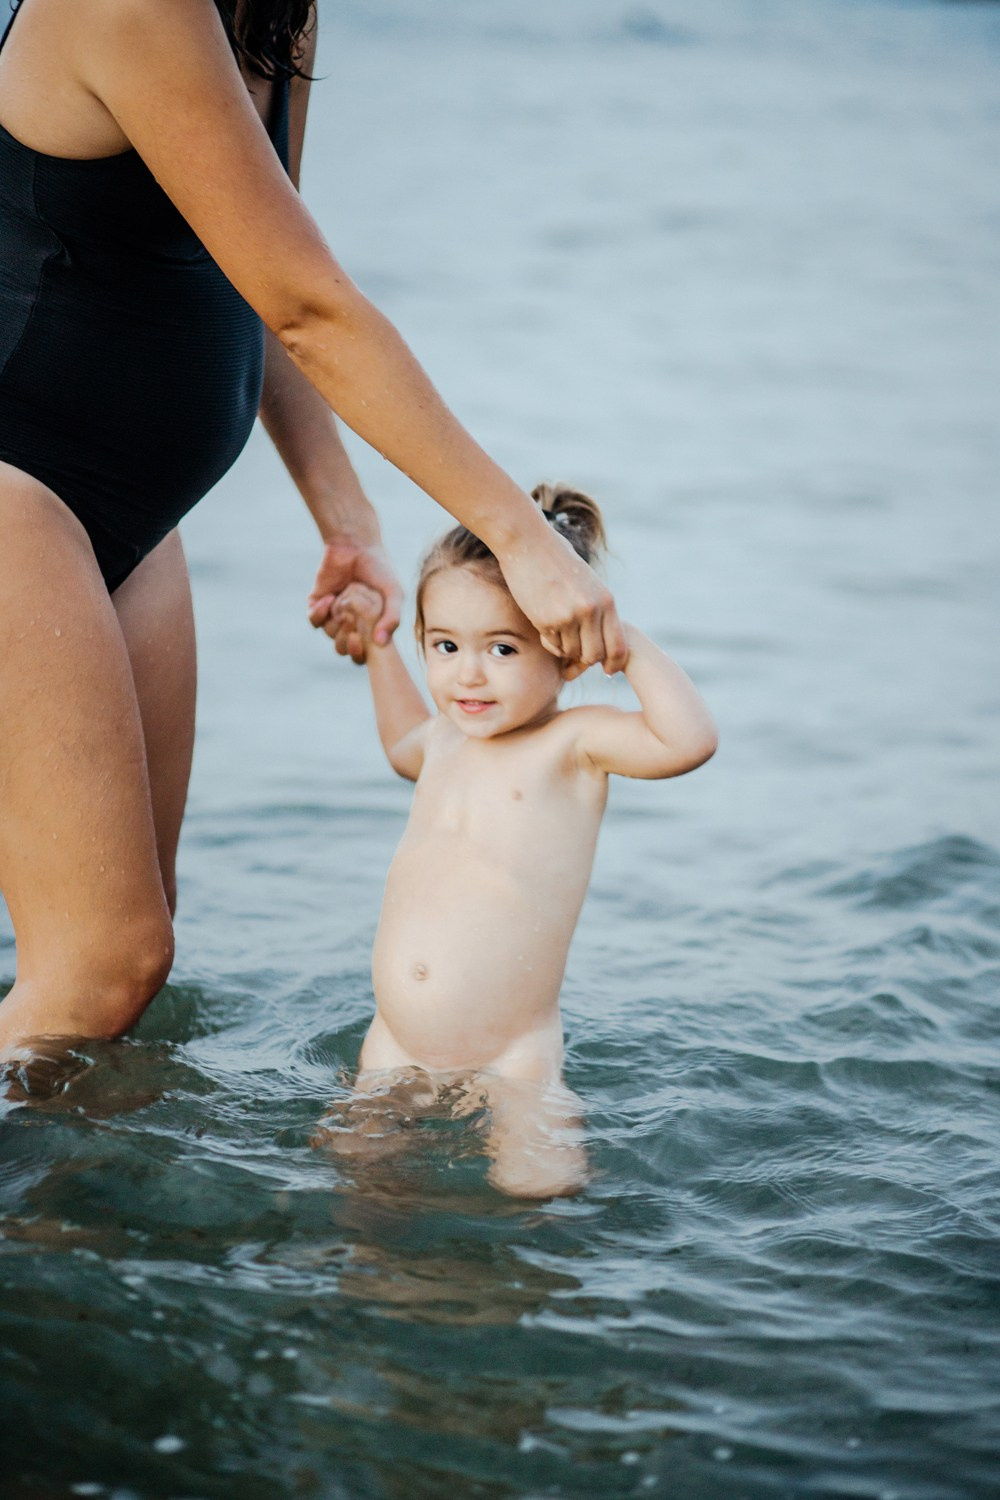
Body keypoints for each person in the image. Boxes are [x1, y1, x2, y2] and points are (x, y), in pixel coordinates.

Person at [0, 0, 626, 1061]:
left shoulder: (273, 12)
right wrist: (517, 535)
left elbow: (258, 266)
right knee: (105, 961)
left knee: (126, 968)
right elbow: (308, 306)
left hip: (129, 520)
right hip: (18, 494)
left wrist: (347, 520)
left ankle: (80, 1231)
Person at [316, 485, 717, 1197]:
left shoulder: (572, 744)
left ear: (565, 653)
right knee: (354, 1189)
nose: (468, 673)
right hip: (394, 1048)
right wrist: (377, 641)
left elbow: (689, 741)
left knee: (536, 1200)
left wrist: (616, 637)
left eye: (502, 648)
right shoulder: (444, 738)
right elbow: (397, 743)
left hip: (515, 1061)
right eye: (445, 646)